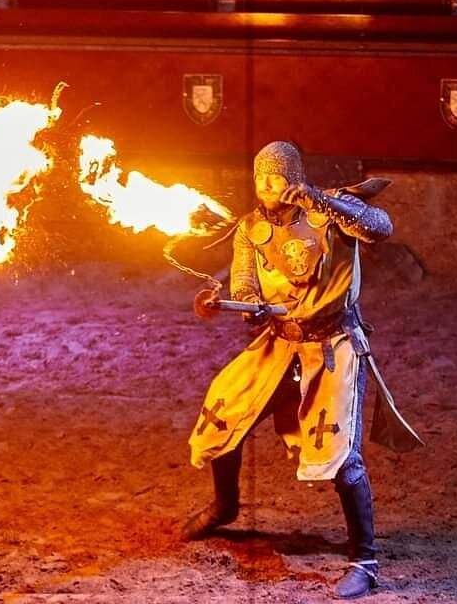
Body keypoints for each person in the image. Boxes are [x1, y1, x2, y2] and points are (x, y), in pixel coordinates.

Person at [183, 142, 422, 599]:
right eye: (260, 179)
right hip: (280, 344)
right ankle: (225, 506)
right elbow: (246, 287)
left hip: (333, 344)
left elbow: (381, 227)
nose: (266, 187)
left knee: (340, 456)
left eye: (275, 178)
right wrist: (238, 305)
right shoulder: (250, 229)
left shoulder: (331, 209)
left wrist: (320, 201)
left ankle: (365, 561)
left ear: (293, 177)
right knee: (225, 414)